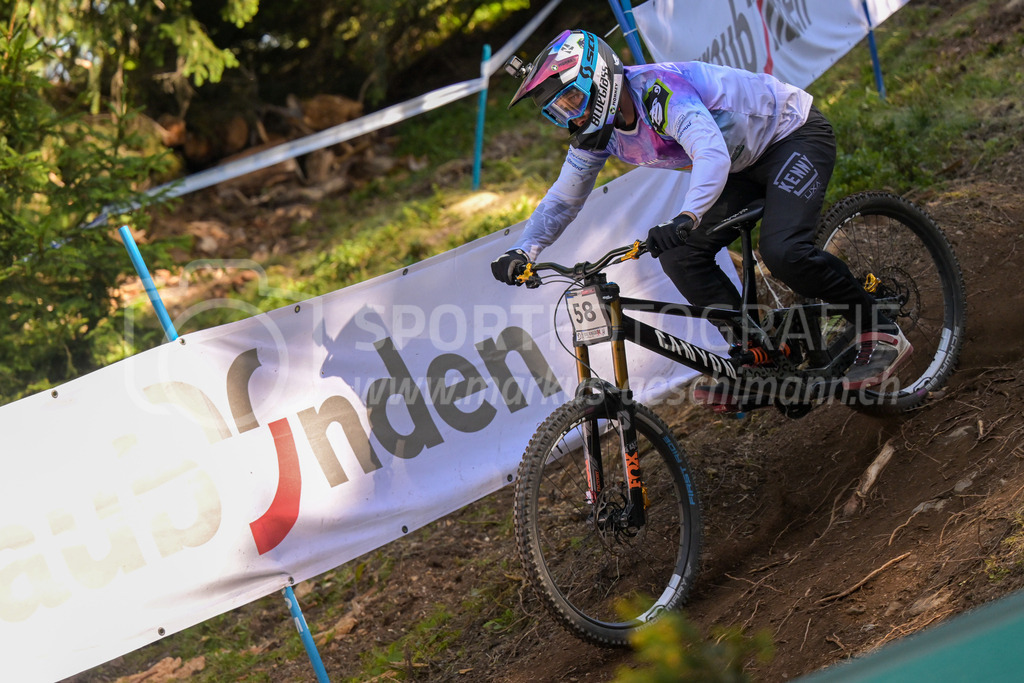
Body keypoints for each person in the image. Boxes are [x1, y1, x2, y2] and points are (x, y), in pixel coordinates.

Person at [489, 29, 911, 394]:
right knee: (680, 256)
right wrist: (525, 250)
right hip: (741, 165)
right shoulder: (596, 134)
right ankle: (756, 352)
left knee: (783, 251)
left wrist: (687, 217)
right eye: (560, 111)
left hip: (792, 136)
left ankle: (880, 326)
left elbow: (709, 152)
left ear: (598, 79)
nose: (572, 117)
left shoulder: (659, 91)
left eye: (573, 101)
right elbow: (564, 197)